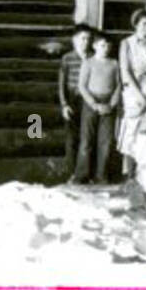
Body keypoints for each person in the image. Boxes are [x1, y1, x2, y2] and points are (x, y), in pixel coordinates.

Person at [117, 9, 146, 179]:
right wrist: (138, 95)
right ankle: (128, 176)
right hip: (133, 92)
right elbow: (125, 70)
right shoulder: (127, 43)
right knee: (131, 134)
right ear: (136, 25)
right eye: (144, 24)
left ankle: (144, 175)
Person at [72, 31, 121, 184]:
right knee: (86, 141)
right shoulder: (89, 63)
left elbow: (119, 85)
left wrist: (112, 104)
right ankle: (82, 175)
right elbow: (82, 85)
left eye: (108, 45)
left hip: (108, 104)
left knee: (105, 142)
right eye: (102, 45)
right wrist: (93, 104)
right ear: (94, 46)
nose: (105, 48)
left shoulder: (114, 63)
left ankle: (101, 176)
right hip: (91, 102)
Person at [57, 23, 92, 182]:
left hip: (89, 100)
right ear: (75, 40)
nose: (86, 42)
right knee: (72, 138)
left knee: (87, 137)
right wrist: (64, 104)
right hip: (73, 99)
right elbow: (62, 83)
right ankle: (71, 173)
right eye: (82, 38)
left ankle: (84, 173)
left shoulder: (93, 57)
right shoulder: (68, 58)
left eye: (88, 39)